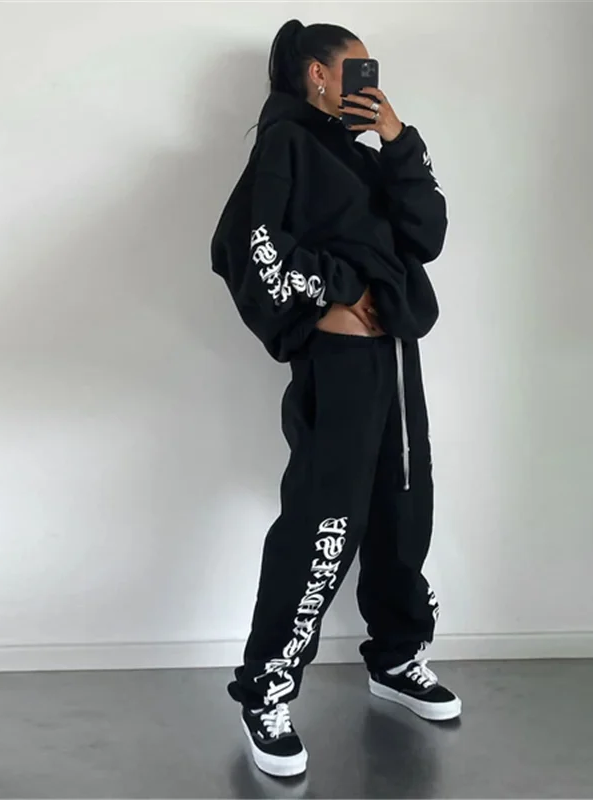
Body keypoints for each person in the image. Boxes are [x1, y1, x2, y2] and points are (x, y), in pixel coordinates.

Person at [211, 19, 460, 779]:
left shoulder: (360, 151)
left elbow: (426, 235)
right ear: (317, 74)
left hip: (396, 353)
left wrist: (398, 137)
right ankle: (266, 689)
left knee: (402, 505)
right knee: (326, 522)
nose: (367, 80)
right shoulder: (285, 143)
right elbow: (245, 245)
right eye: (355, 68)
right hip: (342, 362)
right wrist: (335, 291)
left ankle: (396, 656)